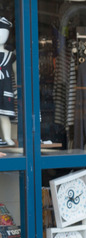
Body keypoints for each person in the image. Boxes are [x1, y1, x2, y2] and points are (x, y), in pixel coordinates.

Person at [0, 17, 16, 146]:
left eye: (3, 32)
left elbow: (17, 73)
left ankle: (7, 137)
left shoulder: (10, 55)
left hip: (5, 88)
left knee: (4, 115)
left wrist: (16, 91)